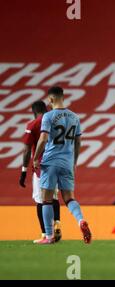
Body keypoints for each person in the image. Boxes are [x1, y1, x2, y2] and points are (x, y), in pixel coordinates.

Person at [33, 86, 92, 244]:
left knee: (46, 199)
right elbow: (78, 142)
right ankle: (81, 220)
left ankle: (49, 236)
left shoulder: (48, 116)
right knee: (69, 198)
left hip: (50, 161)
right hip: (67, 162)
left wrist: (36, 157)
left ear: (51, 100)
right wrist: (74, 162)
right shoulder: (74, 117)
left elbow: (43, 139)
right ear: (63, 97)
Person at [20, 100, 62, 243]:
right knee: (54, 197)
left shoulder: (33, 124)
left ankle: (45, 234)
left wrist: (24, 170)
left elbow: (26, 150)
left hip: (41, 167)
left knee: (41, 200)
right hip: (58, 164)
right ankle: (57, 223)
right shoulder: (57, 122)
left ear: (34, 111)